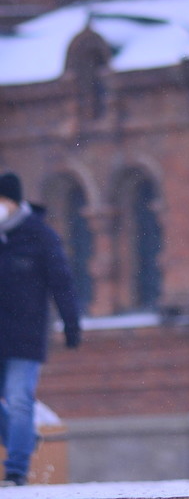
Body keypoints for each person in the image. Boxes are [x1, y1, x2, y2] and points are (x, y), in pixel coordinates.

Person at [0, 172, 81, 487]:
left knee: (19, 398)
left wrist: (71, 325)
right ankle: (21, 437)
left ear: (14, 202)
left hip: (26, 334)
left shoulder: (39, 236)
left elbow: (62, 283)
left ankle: (16, 469)